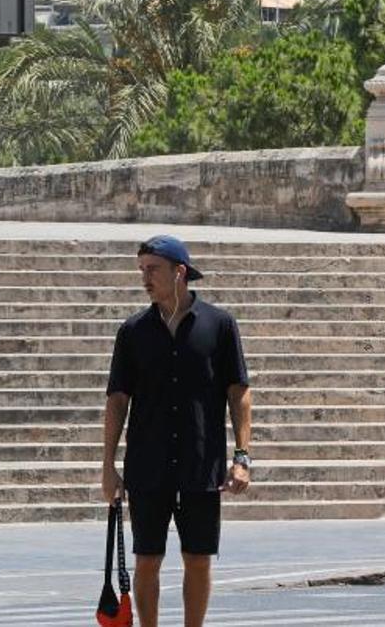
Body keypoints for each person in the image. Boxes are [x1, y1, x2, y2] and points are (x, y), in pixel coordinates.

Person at [101, 234, 253, 627]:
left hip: (201, 464)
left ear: (179, 272)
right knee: (147, 559)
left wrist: (242, 457)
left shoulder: (219, 326)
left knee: (198, 558)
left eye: (152, 270)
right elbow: (118, 399)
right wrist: (107, 465)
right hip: (147, 463)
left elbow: (239, 393)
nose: (144, 279)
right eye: (141, 270)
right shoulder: (132, 331)